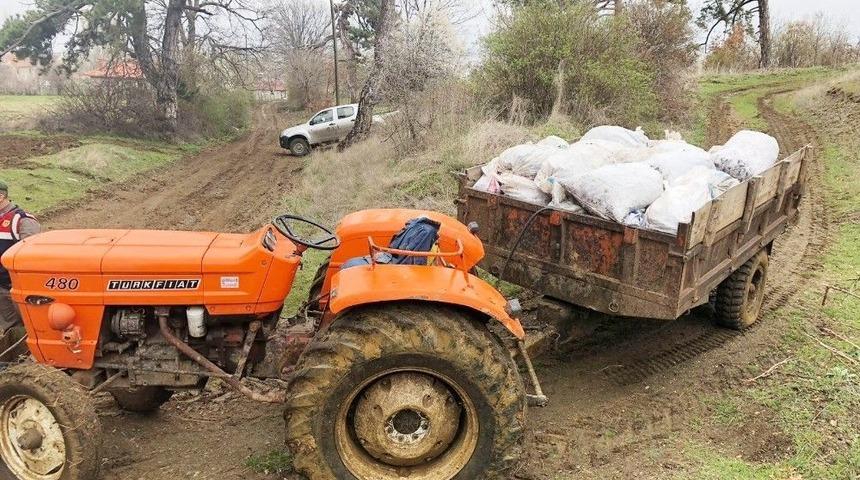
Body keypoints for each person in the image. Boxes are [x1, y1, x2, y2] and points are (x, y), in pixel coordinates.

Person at [0, 180, 40, 345]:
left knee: (31, 325)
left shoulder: (23, 221)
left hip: (16, 288)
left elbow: (31, 258)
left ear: (1, 196)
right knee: (11, 327)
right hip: (1, 289)